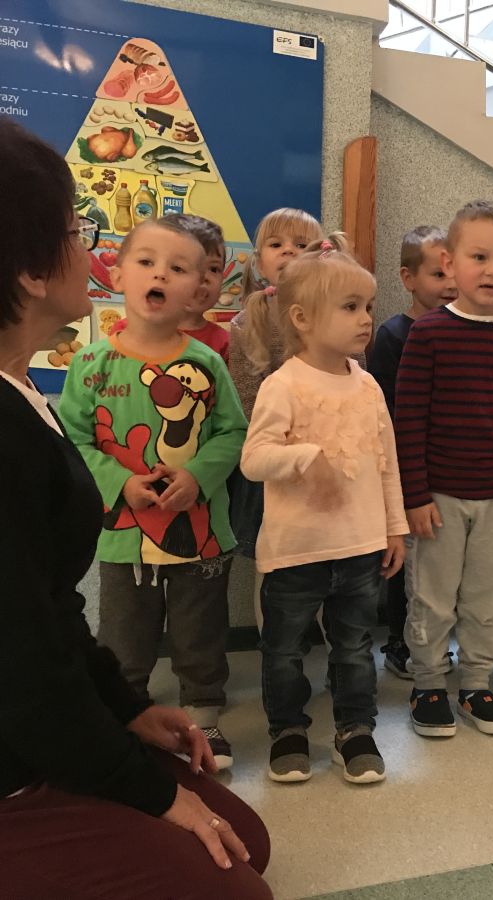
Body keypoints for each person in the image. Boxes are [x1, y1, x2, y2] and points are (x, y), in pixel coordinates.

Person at [0, 119, 269, 900]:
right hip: (16, 739)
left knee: (244, 842)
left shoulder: (23, 389)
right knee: (235, 888)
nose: (91, 251)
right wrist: (144, 790)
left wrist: (123, 711)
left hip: (40, 702)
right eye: (75, 233)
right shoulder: (68, 383)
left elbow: (49, 610)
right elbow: (21, 661)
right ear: (28, 269)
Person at [59, 216, 247, 770]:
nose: (160, 274)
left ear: (198, 289)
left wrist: (198, 476)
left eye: (178, 268)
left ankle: (203, 715)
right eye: (146, 262)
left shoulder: (207, 363)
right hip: (124, 539)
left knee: (200, 633)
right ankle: (128, 718)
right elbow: (73, 440)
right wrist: (119, 482)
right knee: (124, 636)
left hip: (200, 537)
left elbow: (233, 432)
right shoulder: (90, 364)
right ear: (117, 275)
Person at [241, 234, 407, 784]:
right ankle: (288, 730)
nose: (366, 319)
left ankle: (354, 729)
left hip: (360, 548)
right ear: (302, 319)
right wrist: (304, 456)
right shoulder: (282, 385)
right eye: (351, 307)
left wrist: (395, 528)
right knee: (284, 650)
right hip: (296, 552)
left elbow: (386, 463)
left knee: (355, 647)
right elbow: (253, 459)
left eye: (368, 306)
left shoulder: (369, 388)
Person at [395, 201, 493, 737]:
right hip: (436, 499)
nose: (491, 271)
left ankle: (477, 683)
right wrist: (414, 496)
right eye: (479, 257)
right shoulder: (428, 334)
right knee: (432, 599)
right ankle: (428, 684)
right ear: (449, 262)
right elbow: (408, 420)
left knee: (486, 600)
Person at [367, 224, 457, 678]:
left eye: (453, 273)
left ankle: (437, 640)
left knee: (442, 562)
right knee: (407, 559)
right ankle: (400, 642)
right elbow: (386, 410)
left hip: (450, 467)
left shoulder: (462, 332)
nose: (450, 284)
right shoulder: (392, 335)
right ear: (408, 278)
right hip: (405, 467)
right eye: (438, 275)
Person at [226, 207, 325, 563]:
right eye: (276, 244)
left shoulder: (333, 316)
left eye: (301, 244)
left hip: (326, 453)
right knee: (272, 561)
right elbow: (247, 400)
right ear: (258, 262)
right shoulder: (247, 322)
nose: (288, 250)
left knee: (325, 554)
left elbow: (355, 376)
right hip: (272, 461)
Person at [110, 214, 232, 362]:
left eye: (213, 269)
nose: (203, 278)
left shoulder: (225, 343)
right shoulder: (122, 332)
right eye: (178, 268)